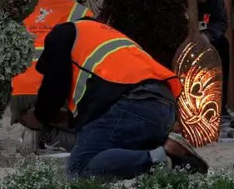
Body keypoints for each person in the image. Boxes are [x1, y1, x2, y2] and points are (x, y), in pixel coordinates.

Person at [19, 11, 209, 180]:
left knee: (79, 167)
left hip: (131, 104)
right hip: (163, 107)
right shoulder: (104, 36)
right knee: (115, 155)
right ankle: (166, 153)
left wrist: (39, 117)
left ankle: (165, 158)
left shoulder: (62, 34)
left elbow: (54, 87)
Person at [10, 0, 94, 153]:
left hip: (16, 94)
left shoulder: (29, 12)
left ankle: (28, 122)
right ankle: (49, 132)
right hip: (49, 93)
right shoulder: (81, 13)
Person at [195, 0, 233, 124]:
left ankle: (220, 106)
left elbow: (221, 21)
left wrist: (207, 36)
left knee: (223, 46)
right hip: (184, 38)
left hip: (208, 36)